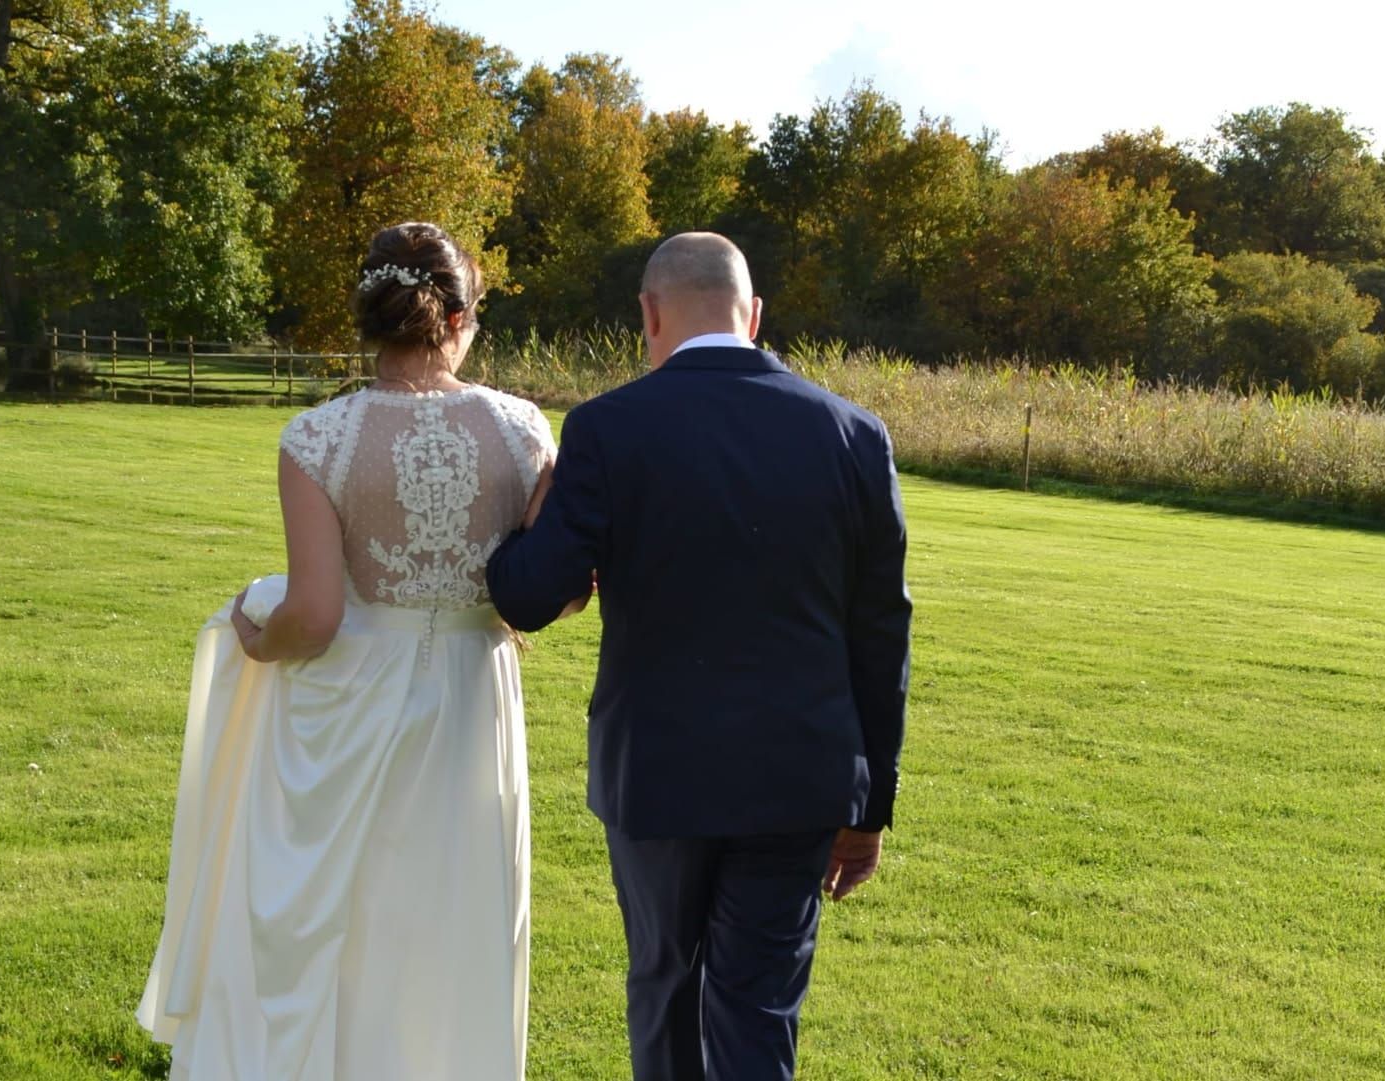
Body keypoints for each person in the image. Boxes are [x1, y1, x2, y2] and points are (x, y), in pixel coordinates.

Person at [486, 232, 912, 1081]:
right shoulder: (855, 434)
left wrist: (529, 521)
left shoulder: (607, 427)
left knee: (665, 987)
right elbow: (881, 633)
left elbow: (530, 594)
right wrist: (870, 807)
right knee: (757, 1012)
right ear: (754, 316)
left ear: (649, 313)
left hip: (657, 772)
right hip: (800, 774)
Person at [137, 222, 556, 1080]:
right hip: (475, 699)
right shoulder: (522, 432)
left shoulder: (319, 438)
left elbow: (317, 615)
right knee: (459, 914)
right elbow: (542, 587)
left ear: (370, 315)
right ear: (461, 316)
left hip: (357, 710)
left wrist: (258, 641)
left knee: (343, 916)